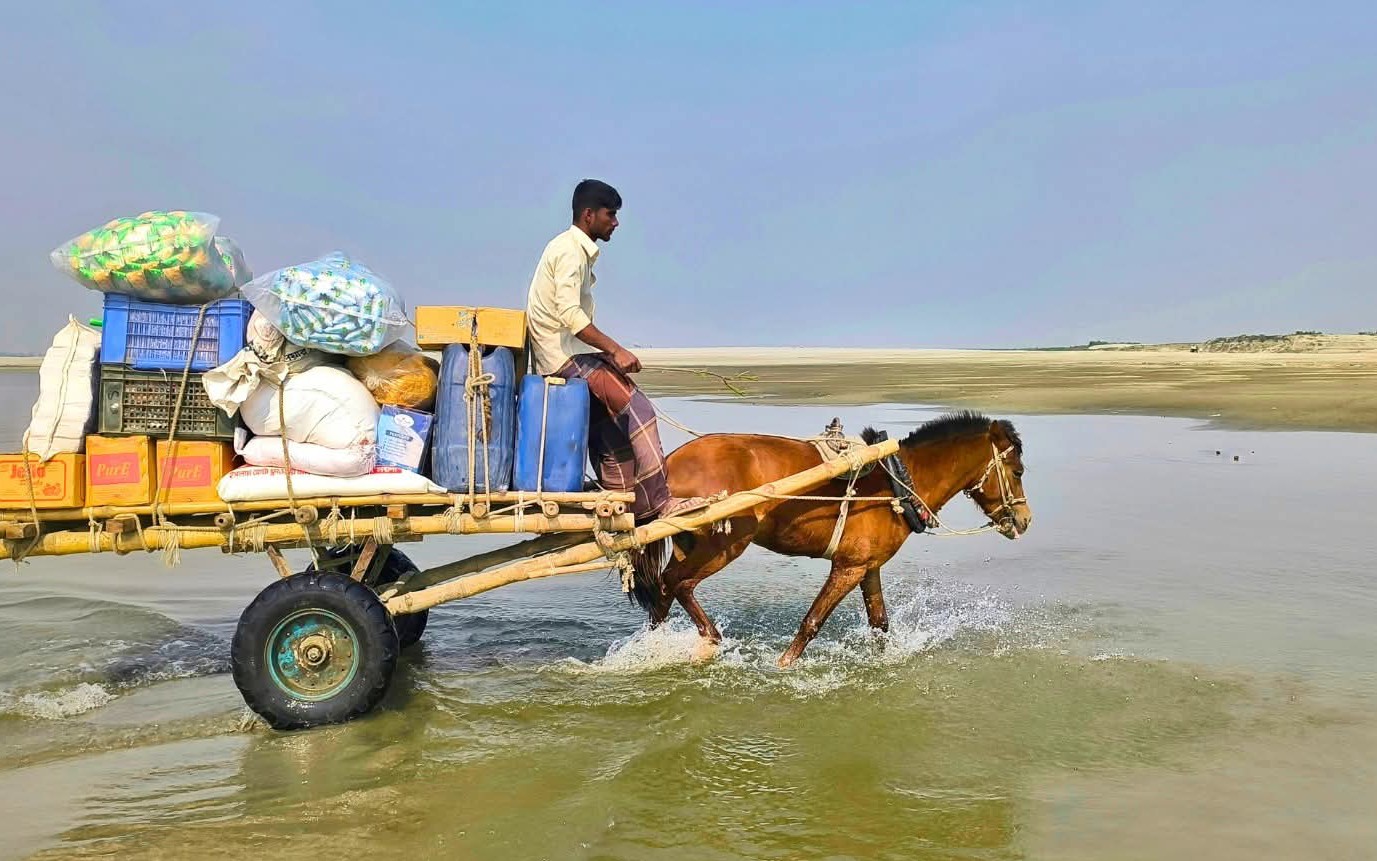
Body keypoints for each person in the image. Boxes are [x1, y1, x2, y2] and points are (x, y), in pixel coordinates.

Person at [525, 179, 708, 523]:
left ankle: (621, 502)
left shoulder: (572, 250)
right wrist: (616, 350)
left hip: (566, 354)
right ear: (589, 215)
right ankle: (661, 501)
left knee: (609, 432)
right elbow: (570, 316)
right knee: (639, 411)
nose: (616, 222)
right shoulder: (569, 251)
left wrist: (606, 356)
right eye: (611, 214)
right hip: (565, 359)